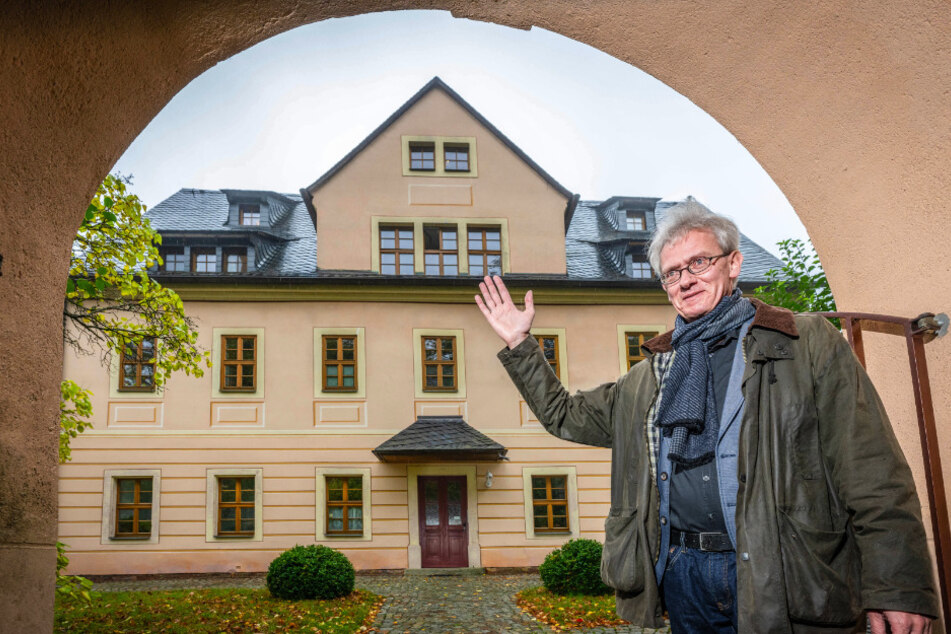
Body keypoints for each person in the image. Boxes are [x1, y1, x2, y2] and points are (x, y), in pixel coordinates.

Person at [475, 198, 938, 633]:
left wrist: (899, 587)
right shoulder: (651, 376)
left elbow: (872, 470)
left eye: (699, 262)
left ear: (733, 264)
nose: (686, 279)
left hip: (784, 570)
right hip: (683, 573)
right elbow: (565, 415)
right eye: (672, 273)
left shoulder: (805, 343)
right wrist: (520, 344)